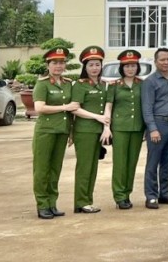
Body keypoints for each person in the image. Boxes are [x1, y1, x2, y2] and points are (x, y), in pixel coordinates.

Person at [32, 47, 77, 219]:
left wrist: (71, 130)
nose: (58, 66)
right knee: (42, 169)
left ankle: (52, 203)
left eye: (61, 63)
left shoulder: (67, 84)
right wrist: (64, 107)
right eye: (54, 63)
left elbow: (72, 111)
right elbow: (39, 108)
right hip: (46, 131)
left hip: (62, 131)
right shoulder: (42, 84)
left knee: (55, 169)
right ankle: (42, 204)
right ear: (48, 65)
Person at [70, 45, 111, 214]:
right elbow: (75, 108)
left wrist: (105, 126)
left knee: (93, 167)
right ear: (85, 67)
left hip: (98, 131)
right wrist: (97, 117)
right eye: (91, 65)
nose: (95, 68)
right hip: (84, 131)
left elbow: (107, 107)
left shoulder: (103, 85)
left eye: (97, 64)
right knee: (85, 166)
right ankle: (81, 202)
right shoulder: (80, 85)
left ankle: (87, 200)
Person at [141, 47, 168, 209]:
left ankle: (164, 193)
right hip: (159, 124)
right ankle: (151, 196)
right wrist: (152, 128)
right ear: (156, 61)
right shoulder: (150, 82)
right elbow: (147, 107)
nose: (166, 62)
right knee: (153, 161)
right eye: (162, 60)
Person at [107, 49, 145, 209]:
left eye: (133, 66)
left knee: (132, 162)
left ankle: (127, 193)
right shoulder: (114, 85)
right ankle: (119, 195)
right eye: (127, 66)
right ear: (122, 68)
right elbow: (108, 107)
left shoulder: (142, 84)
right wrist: (106, 127)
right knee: (120, 162)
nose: (130, 69)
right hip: (120, 128)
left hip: (137, 128)